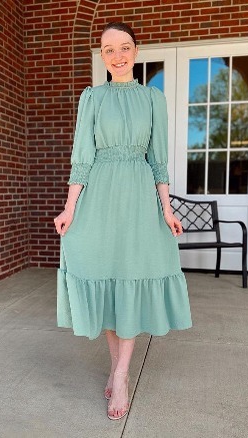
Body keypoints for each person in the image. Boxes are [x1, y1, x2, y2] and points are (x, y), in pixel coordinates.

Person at [53, 22, 193, 421]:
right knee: (110, 283)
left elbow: (159, 160)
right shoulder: (92, 99)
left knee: (131, 278)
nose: (118, 55)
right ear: (102, 55)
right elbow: (83, 158)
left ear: (136, 50)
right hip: (99, 199)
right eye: (109, 49)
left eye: (125, 47)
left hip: (138, 201)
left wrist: (166, 209)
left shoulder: (153, 98)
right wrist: (70, 208)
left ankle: (121, 374)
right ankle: (117, 370)